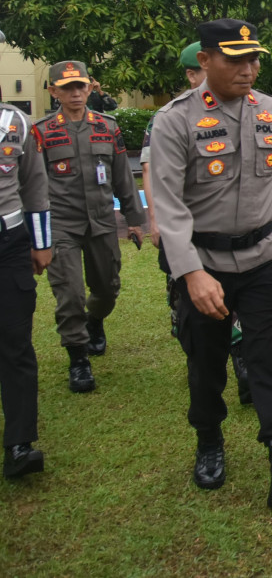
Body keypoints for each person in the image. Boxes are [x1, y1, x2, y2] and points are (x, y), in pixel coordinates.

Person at [150, 19, 272, 509]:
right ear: (205, 61)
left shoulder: (269, 108)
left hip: (265, 258)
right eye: (236, 60)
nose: (249, 69)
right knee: (206, 364)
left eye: (254, 58)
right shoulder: (174, 119)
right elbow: (168, 204)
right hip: (204, 262)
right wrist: (191, 273)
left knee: (266, 358)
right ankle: (209, 440)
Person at [141, 43, 251, 400]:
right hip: (187, 235)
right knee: (197, 313)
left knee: (234, 305)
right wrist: (156, 221)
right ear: (193, 73)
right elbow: (151, 173)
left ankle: (242, 361)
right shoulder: (168, 118)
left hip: (232, 236)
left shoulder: (248, 110)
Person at [33, 61, 145, 392]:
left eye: (80, 86)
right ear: (54, 92)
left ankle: (94, 322)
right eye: (67, 87)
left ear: (89, 87)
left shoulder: (107, 127)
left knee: (107, 289)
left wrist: (135, 220)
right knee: (69, 294)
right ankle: (78, 359)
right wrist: (36, 233)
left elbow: (123, 176)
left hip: (101, 222)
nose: (75, 93)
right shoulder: (41, 132)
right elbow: (33, 185)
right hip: (61, 224)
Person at [0, 99, 53, 479]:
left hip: (9, 245)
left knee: (15, 343)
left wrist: (41, 242)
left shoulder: (16, 122)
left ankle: (19, 444)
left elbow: (34, 183)